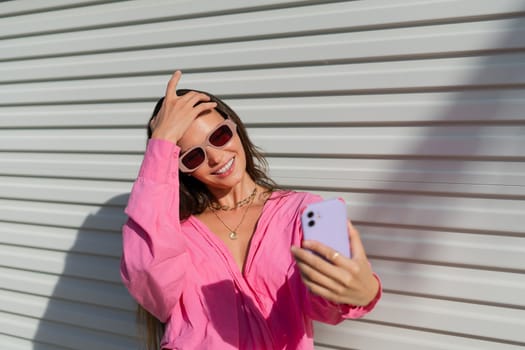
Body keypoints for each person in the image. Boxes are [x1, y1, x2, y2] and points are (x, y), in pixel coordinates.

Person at [120, 71, 381, 350]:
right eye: (193, 156)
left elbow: (327, 305)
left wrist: (364, 292)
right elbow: (146, 276)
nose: (216, 157)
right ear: (180, 169)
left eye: (219, 136)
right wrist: (162, 141)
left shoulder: (306, 211)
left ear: (236, 128)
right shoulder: (171, 237)